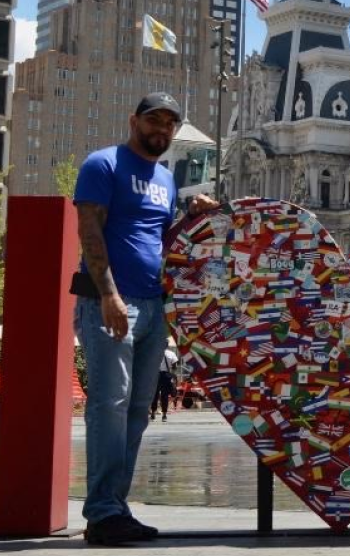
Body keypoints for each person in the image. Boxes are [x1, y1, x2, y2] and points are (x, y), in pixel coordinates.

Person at [72, 93, 219, 546]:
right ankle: (101, 511)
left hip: (155, 305)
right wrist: (109, 295)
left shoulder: (165, 178)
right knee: (109, 408)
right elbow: (90, 230)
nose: (161, 129)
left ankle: (115, 507)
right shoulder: (103, 165)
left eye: (170, 123)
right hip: (111, 301)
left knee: (136, 413)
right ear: (133, 120)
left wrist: (191, 217)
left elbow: (158, 238)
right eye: (154, 120)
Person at [149, 346, 179, 422]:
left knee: (155, 395)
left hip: (155, 375)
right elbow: (175, 366)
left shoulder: (153, 352)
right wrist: (172, 373)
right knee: (164, 396)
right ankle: (164, 415)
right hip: (166, 375)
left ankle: (153, 413)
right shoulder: (171, 353)